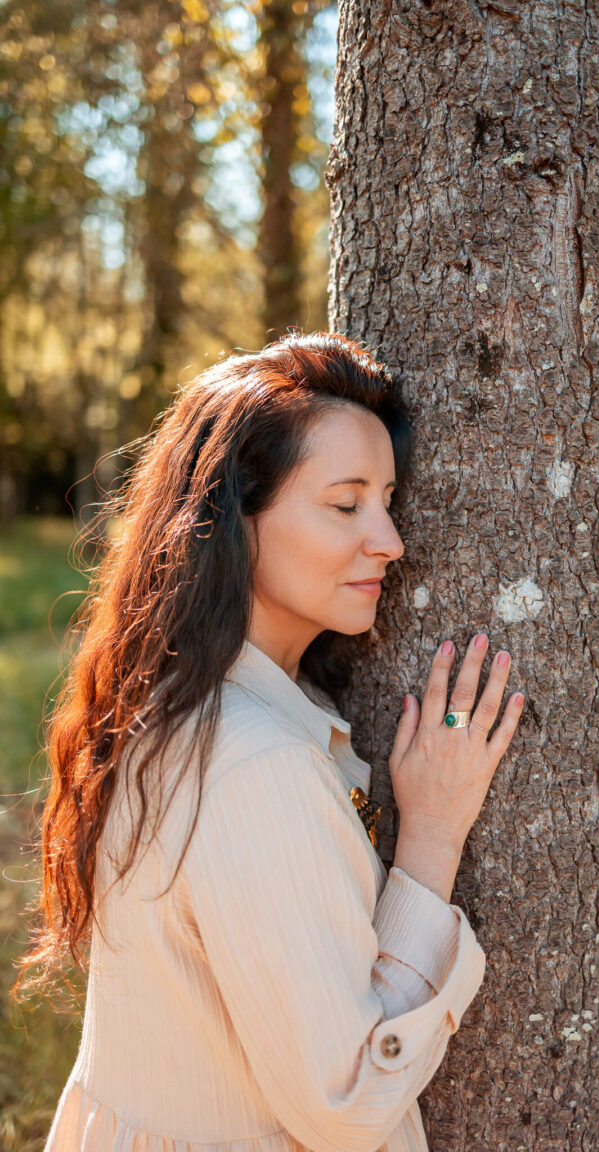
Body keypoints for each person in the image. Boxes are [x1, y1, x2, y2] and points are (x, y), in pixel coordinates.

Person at [17, 331, 525, 1151]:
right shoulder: (257, 765)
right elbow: (346, 1101)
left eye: (388, 500)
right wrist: (431, 835)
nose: (391, 541)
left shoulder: (169, 701)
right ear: (233, 520)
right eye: (345, 503)